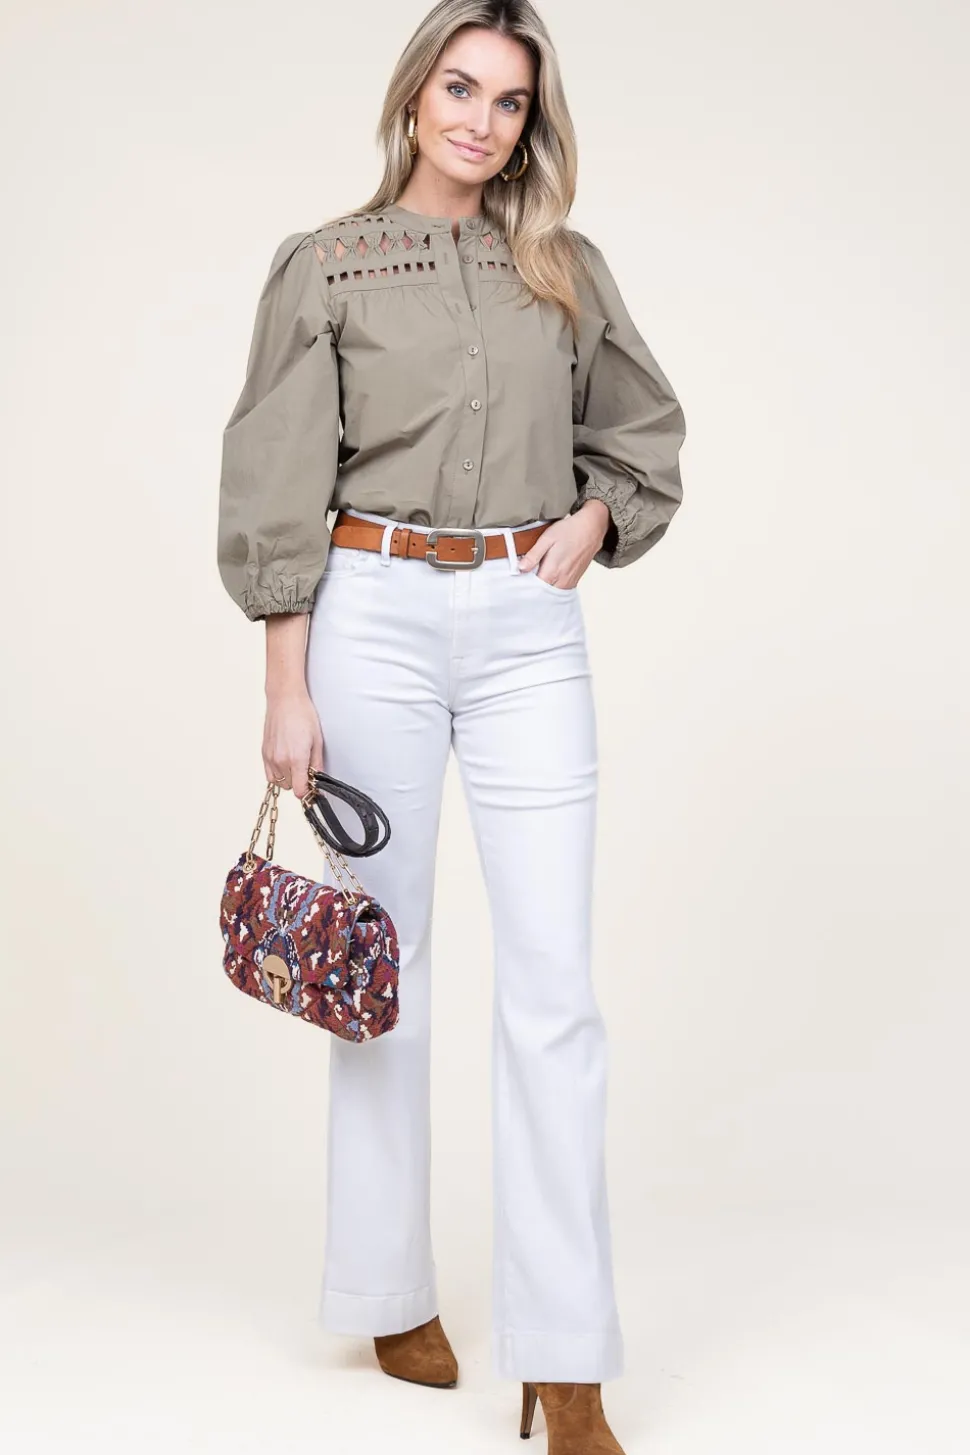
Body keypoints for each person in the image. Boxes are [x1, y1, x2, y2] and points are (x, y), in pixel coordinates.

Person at [217, 1, 686, 1448]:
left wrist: (597, 517)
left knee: (554, 983)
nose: (480, 121)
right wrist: (286, 685)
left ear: (531, 125)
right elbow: (278, 473)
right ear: (415, 95)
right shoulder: (326, 264)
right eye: (461, 88)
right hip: (370, 613)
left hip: (528, 621)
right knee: (385, 965)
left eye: (508, 101)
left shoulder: (564, 269)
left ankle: (567, 1354)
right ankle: (385, 1286)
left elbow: (641, 434)